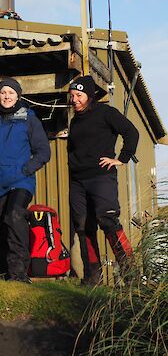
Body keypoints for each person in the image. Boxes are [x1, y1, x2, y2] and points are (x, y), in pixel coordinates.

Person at [0, 77, 50, 282]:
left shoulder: (29, 119)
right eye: (3, 93)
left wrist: (25, 170)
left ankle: (18, 275)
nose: (6, 96)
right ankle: (2, 275)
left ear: (18, 95)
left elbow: (44, 152)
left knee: (15, 217)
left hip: (20, 182)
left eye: (11, 92)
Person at [68, 75, 139, 284]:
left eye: (79, 95)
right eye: (72, 96)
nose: (75, 100)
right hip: (78, 182)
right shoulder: (74, 121)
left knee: (107, 221)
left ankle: (130, 274)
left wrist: (121, 159)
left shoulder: (106, 113)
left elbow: (131, 132)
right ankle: (92, 279)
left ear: (89, 96)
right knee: (83, 227)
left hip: (101, 177)